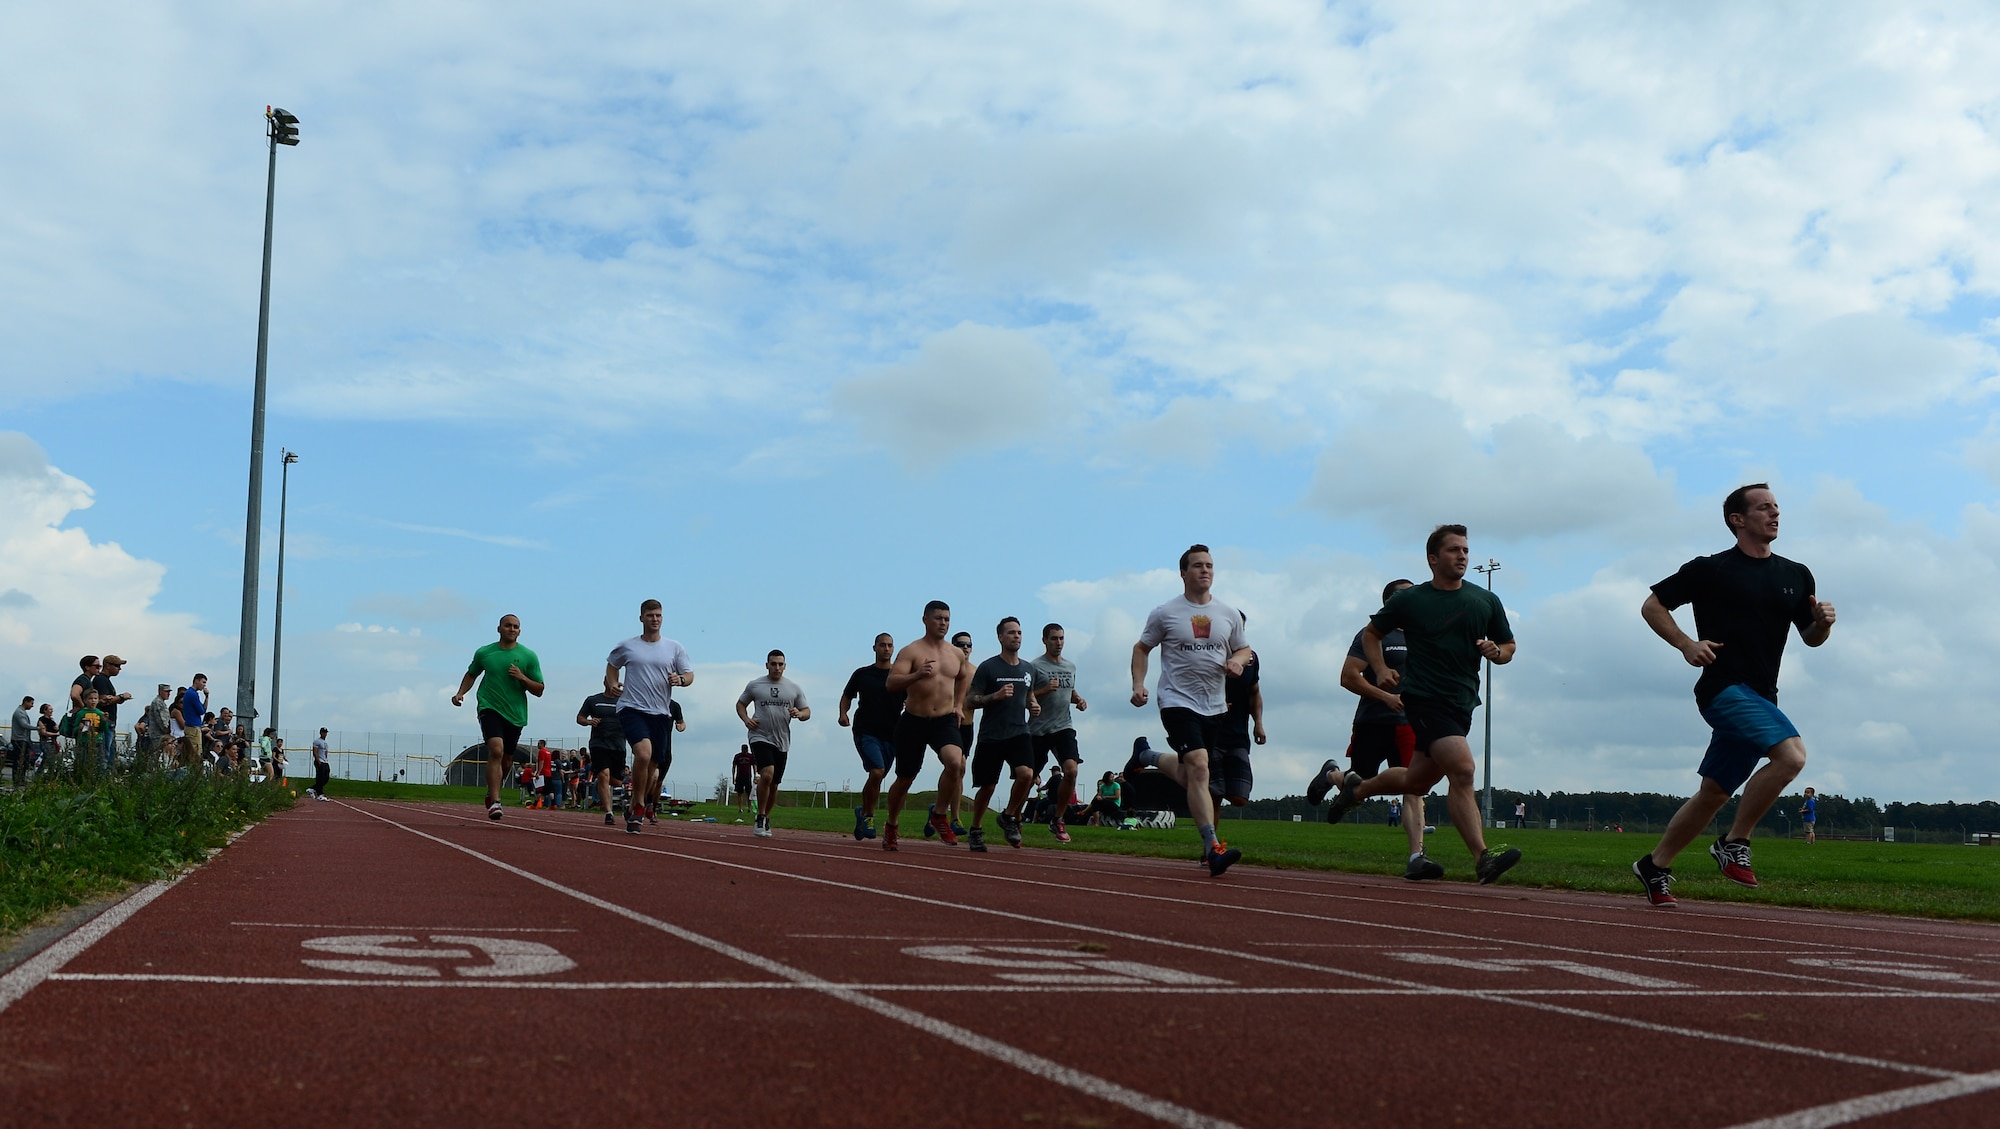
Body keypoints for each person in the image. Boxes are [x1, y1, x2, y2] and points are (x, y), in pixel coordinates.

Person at [1633, 485, 1834, 907]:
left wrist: (1823, 624)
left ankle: (1655, 865)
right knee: (1792, 756)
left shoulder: (1795, 574)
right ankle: (1734, 842)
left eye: (1777, 507)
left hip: (1763, 695)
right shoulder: (1711, 569)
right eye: (1764, 508)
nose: (1775, 514)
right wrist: (1687, 644)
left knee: (1715, 793)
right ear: (1737, 520)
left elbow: (1811, 639)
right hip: (1722, 688)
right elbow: (1653, 606)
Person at [1362, 525, 1522, 885]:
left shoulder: (1485, 601)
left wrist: (1497, 653)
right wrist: (1381, 668)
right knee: (1463, 771)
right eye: (1453, 550)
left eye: (1465, 549)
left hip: (1461, 702)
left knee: (1416, 781)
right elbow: (1371, 634)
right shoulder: (1411, 600)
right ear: (1433, 559)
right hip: (1422, 699)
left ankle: (1356, 788)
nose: (1462, 555)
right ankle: (1483, 857)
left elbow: (1509, 646)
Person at [1130, 544, 1250, 877]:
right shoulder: (1165, 612)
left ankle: (1148, 757)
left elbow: (1244, 648)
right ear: (1183, 573)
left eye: (1209, 565)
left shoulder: (1227, 613)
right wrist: (1138, 684)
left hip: (1214, 705)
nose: (1205, 570)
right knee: (1199, 766)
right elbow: (1142, 648)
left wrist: (1237, 662)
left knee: (1195, 776)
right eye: (1198, 565)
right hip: (1176, 700)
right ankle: (1212, 848)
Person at [1309, 579, 1436, 878]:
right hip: (1372, 721)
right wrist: (1385, 697)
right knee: (1361, 783)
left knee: (1413, 786)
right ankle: (1332, 775)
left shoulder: (1426, 636)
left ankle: (1417, 856)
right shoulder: (1373, 635)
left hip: (1410, 724)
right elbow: (1348, 677)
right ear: (1392, 602)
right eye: (1410, 595)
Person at [882, 600, 973, 851]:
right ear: (925, 620)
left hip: (944, 719)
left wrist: (958, 705)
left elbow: (963, 676)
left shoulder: (955, 653)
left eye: (946, 619)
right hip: (914, 720)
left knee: (957, 763)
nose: (943, 623)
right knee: (905, 778)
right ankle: (891, 824)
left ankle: (940, 814)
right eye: (938, 618)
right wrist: (917, 675)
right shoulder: (912, 651)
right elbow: (891, 683)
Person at [604, 599, 693, 835]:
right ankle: (641, 805)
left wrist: (680, 680)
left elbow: (689, 674)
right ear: (641, 618)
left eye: (659, 615)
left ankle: (635, 804)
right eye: (650, 615)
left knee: (653, 766)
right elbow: (612, 665)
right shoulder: (628, 646)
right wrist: (613, 683)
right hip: (631, 708)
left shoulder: (674, 648)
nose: (655, 619)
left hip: (661, 713)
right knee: (642, 753)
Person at [452, 614, 547, 821]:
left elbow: (539, 689)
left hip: (515, 714)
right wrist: (461, 693)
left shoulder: (528, 656)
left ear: (519, 631)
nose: (512, 629)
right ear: (499, 629)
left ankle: (492, 791)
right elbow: (471, 674)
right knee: (496, 749)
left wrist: (522, 678)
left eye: (516, 627)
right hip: (489, 706)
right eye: (508, 626)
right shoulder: (485, 652)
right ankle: (495, 801)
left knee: (506, 760)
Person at [965, 618, 1042, 852]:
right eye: (1011, 633)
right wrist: (993, 697)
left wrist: (1033, 705)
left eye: (1019, 632)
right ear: (1000, 637)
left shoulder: (1028, 669)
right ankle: (976, 830)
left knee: (1026, 774)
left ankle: (1008, 816)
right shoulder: (988, 668)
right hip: (992, 735)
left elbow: (1028, 695)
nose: (1016, 636)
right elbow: (970, 700)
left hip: (1019, 732)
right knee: (987, 787)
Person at [839, 633, 905, 841]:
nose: (886, 648)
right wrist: (843, 714)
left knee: (877, 777)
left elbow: (914, 700)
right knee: (877, 771)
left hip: (892, 734)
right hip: (865, 731)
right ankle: (869, 815)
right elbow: (847, 695)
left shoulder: (900, 676)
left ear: (894, 649)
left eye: (890, 645)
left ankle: (862, 812)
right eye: (882, 645)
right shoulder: (863, 674)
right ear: (874, 648)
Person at [738, 650, 810, 839]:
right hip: (759, 736)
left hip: (782, 740)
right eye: (773, 664)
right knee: (767, 774)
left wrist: (799, 714)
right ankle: (760, 816)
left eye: (780, 664)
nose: (777, 668)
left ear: (785, 666)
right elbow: (740, 704)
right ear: (767, 665)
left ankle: (766, 817)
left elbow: (807, 711)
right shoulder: (756, 685)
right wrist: (746, 719)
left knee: (775, 783)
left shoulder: (793, 688)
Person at [1029, 623, 1088, 843]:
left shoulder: (1070, 667)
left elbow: (1069, 691)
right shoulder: (1035, 666)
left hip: (1064, 726)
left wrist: (1078, 700)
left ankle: (1058, 819)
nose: (1059, 643)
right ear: (1045, 640)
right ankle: (1013, 816)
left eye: (1062, 638)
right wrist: (1042, 691)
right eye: (1054, 638)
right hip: (1039, 729)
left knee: (1071, 771)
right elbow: (1026, 696)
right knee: (1027, 777)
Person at [927, 630, 977, 840]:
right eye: (961, 644)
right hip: (946, 725)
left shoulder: (977, 672)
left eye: (968, 644)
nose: (965, 647)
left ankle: (938, 811)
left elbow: (983, 697)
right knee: (958, 766)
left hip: (967, 726)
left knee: (958, 771)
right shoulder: (947, 669)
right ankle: (954, 817)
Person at [1210, 639, 1263, 829]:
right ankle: (1211, 848)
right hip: (1210, 732)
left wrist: (1258, 723)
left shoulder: (1251, 659)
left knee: (1239, 797)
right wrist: (1215, 702)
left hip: (1238, 735)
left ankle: (1193, 782)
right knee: (1214, 795)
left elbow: (1254, 692)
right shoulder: (1207, 655)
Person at [577, 688, 627, 826]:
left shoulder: (625, 700)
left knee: (617, 781)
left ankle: (602, 784)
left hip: (619, 745)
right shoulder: (593, 700)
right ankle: (609, 813)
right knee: (604, 774)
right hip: (599, 743)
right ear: (606, 682)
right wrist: (589, 722)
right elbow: (580, 718)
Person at [639, 701, 684, 820]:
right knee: (652, 777)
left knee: (658, 782)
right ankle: (642, 803)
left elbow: (681, 722)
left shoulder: (674, 706)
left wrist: (681, 726)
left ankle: (652, 807)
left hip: (666, 750)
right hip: (650, 749)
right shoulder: (648, 702)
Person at [142, 684, 173, 767]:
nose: (168, 694)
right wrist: (168, 731)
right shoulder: (158, 702)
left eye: (169, 692)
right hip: (158, 735)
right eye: (166, 691)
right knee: (158, 757)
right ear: (160, 691)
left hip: (161, 735)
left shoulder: (161, 702)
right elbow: (161, 720)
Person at [10, 696, 32, 787]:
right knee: (19, 760)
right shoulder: (19, 713)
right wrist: (38, 728)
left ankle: (21, 779)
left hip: (23, 739)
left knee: (24, 761)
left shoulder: (22, 712)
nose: (32, 706)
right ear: (26, 702)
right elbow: (24, 725)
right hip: (19, 740)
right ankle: (17, 779)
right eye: (31, 703)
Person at [730, 744, 755, 812]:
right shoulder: (737, 756)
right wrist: (733, 777)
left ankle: (749, 808)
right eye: (744, 750)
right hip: (739, 776)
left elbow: (754, 765)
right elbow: (734, 767)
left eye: (746, 750)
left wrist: (755, 775)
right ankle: (740, 808)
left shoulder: (750, 756)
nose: (745, 751)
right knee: (739, 793)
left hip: (748, 776)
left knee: (749, 793)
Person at [310, 728, 330, 800]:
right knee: (320, 778)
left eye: (326, 732)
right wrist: (318, 761)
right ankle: (320, 794)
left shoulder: (325, 742)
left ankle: (312, 789)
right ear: (320, 733)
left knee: (326, 778)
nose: (325, 734)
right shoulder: (317, 741)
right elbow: (315, 752)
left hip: (325, 761)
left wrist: (326, 760)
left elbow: (326, 752)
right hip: (320, 761)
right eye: (323, 732)